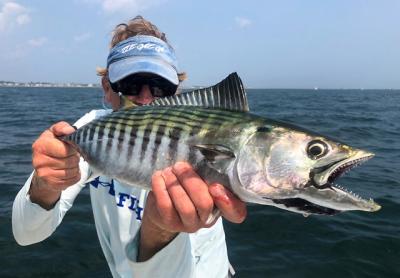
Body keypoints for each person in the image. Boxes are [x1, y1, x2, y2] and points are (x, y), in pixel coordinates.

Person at [12, 16, 247, 277]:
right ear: (108, 88)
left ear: (176, 90)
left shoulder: (205, 131)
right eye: (131, 85)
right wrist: (46, 184)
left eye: (160, 87)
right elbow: (26, 233)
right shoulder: (91, 132)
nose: (146, 98)